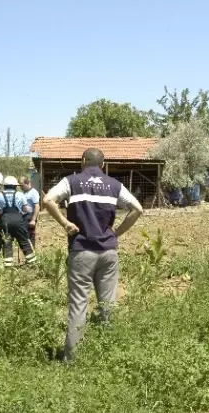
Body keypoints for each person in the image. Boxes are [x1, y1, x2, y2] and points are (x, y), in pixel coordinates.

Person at [42, 148, 143, 361]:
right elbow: (137, 209)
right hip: (108, 252)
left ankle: (72, 360)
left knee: (79, 305)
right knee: (108, 306)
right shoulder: (114, 185)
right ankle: (108, 356)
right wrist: (116, 233)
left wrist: (65, 223)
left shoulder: (72, 181)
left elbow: (49, 200)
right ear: (103, 164)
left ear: (82, 161)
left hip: (81, 251)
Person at [0, 176, 37, 268]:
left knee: (7, 242)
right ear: (15, 186)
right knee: (24, 240)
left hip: (4, 220)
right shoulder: (20, 195)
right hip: (18, 220)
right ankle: (32, 263)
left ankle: (8, 265)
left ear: (5, 186)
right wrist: (28, 210)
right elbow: (26, 209)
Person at [19, 176, 40, 248]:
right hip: (24, 216)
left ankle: (31, 253)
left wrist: (33, 220)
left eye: (22, 185)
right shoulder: (24, 193)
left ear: (28, 183)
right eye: (20, 185)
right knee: (25, 236)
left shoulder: (33, 192)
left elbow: (37, 206)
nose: (21, 187)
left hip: (30, 216)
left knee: (30, 236)